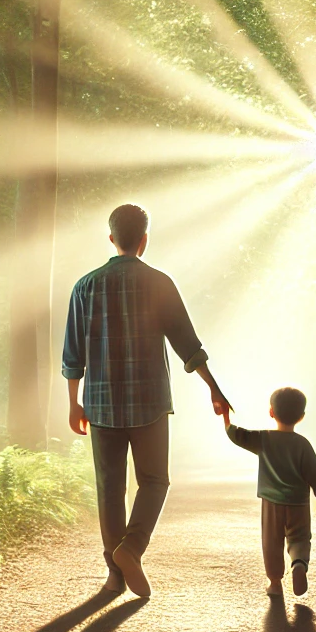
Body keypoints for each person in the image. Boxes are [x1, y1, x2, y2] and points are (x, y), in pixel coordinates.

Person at [63, 204, 231, 599]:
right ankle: (132, 549)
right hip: (150, 404)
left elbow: (73, 355)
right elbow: (187, 344)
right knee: (154, 481)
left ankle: (115, 574)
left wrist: (74, 404)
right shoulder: (160, 283)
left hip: (101, 406)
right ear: (144, 239)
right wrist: (214, 388)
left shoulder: (85, 286)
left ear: (111, 239)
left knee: (110, 489)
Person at [225, 386, 316, 598]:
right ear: (301, 416)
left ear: (271, 412)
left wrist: (226, 418)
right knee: (299, 538)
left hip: (271, 502)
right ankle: (299, 564)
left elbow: (238, 436)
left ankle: (274, 582)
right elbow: (314, 471)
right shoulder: (303, 444)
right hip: (298, 503)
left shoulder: (264, 439)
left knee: (271, 542)